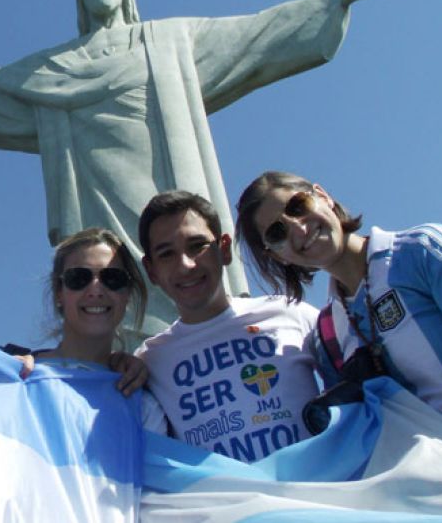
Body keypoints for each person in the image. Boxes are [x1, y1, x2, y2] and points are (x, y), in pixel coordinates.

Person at [0, 0, 421, 337]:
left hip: (173, 199)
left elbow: (259, 32)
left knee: (192, 276)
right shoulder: (48, 72)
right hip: (98, 214)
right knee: (112, 301)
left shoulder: (169, 42)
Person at [235, 171, 442, 460]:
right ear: (276, 255)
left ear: (322, 196)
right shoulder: (326, 336)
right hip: (436, 495)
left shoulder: (422, 251)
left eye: (298, 206)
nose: (298, 229)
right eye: (277, 232)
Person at [134, 191, 320, 462]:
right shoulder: (148, 361)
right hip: (227, 502)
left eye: (197, 246)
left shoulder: (289, 312)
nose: (186, 265)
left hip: (317, 497)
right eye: (166, 254)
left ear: (223, 248)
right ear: (151, 270)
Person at [17, 227, 167, 432]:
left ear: (127, 295)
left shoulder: (142, 405)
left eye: (113, 278)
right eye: (78, 278)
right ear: (59, 292)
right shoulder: (16, 374)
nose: (96, 290)